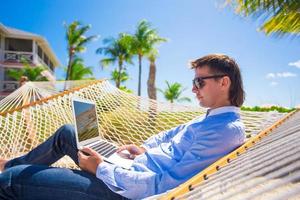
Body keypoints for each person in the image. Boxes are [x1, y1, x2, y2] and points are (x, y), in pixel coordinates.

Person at [0, 54, 246, 200]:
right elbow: (168, 136)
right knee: (67, 132)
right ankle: (9, 164)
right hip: (130, 167)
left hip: (122, 191)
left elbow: (166, 185)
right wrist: (142, 149)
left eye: (199, 82)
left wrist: (100, 169)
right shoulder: (210, 118)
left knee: (9, 182)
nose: (193, 88)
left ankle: (9, 171)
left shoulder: (225, 131)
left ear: (224, 82)